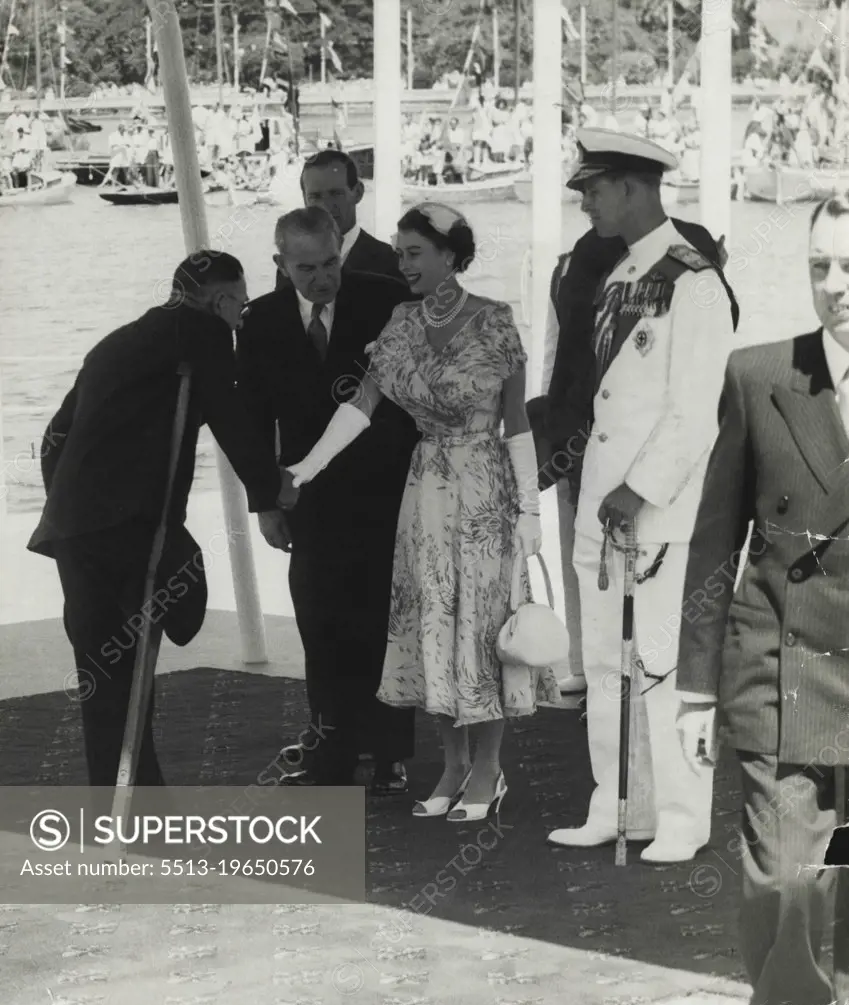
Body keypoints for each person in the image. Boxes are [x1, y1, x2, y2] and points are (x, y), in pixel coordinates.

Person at [283, 202, 559, 822]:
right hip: (426, 487)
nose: (401, 263)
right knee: (431, 623)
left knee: (483, 631)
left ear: (449, 256)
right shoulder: (401, 323)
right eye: (401, 252)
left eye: (413, 253)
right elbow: (363, 402)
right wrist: (309, 464)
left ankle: (489, 769)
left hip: (486, 486)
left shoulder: (494, 320)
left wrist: (531, 510)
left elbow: (517, 424)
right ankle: (452, 765)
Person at [676, 194, 849, 1005]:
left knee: (835, 880)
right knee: (787, 880)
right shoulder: (758, 376)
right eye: (818, 266)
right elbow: (713, 541)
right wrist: (693, 688)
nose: (834, 285)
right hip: (780, 672)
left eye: (848, 265)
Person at [27, 251, 289, 791]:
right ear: (219, 300)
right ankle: (135, 798)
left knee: (103, 672)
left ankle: (124, 798)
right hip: (131, 527)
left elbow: (55, 438)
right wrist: (270, 496)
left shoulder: (117, 341)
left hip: (75, 528)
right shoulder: (202, 335)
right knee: (168, 602)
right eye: (240, 303)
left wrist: (70, 505)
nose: (241, 316)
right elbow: (232, 423)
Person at [544, 129, 735, 863]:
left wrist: (639, 487)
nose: (585, 201)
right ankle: (617, 803)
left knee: (660, 668)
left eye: (593, 188)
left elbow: (696, 410)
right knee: (603, 664)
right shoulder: (620, 274)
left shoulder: (693, 281)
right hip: (604, 498)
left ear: (632, 187)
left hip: (656, 508)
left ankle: (682, 818)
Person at [236, 207, 419, 792]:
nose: (323, 278)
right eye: (307, 267)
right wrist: (265, 500)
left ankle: (389, 757)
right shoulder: (259, 321)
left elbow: (410, 399)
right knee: (321, 627)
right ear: (281, 265)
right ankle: (332, 758)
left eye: (331, 262)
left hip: (385, 490)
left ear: (343, 250)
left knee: (382, 625)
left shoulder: (387, 299)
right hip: (306, 499)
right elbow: (252, 419)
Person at [539, 195, 739, 702]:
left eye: (597, 188)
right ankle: (598, 672)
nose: (588, 203)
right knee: (589, 565)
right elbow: (557, 355)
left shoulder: (684, 253)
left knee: (649, 585)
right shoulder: (571, 266)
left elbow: (701, 373)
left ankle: (632, 683)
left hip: (645, 451)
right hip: (587, 437)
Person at [275, 149, 402, 291]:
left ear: (358, 193)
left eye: (336, 194)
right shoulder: (291, 266)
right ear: (305, 199)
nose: (326, 206)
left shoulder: (392, 263)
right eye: (315, 197)